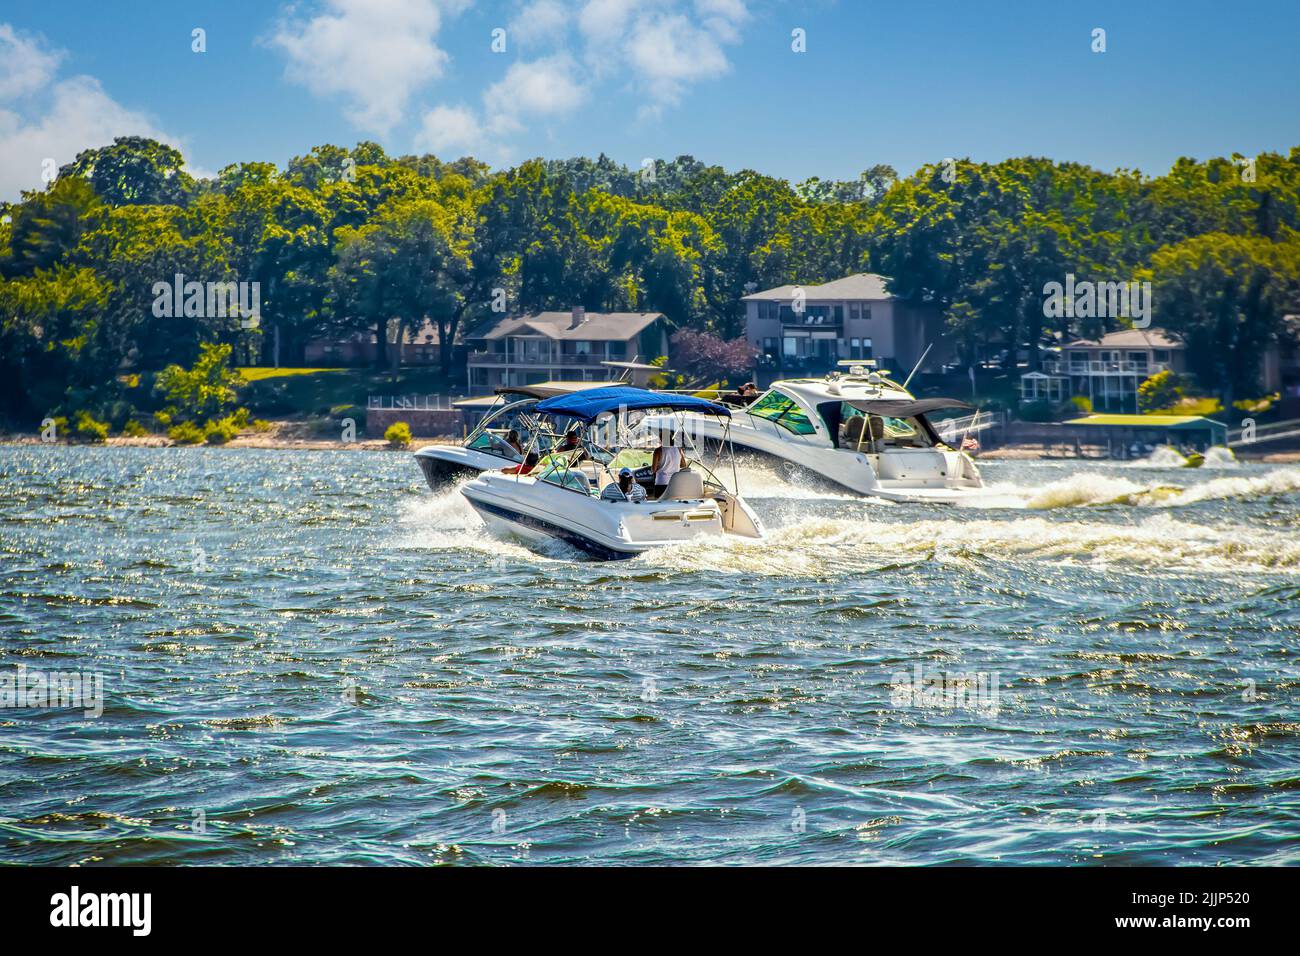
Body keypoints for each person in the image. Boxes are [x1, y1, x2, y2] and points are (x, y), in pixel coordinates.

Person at [651, 432, 684, 498]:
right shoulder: (679, 449)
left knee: (660, 504)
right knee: (672, 504)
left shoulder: (658, 451)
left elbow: (653, 470)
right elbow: (683, 465)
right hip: (674, 483)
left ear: (661, 439)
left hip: (661, 482)